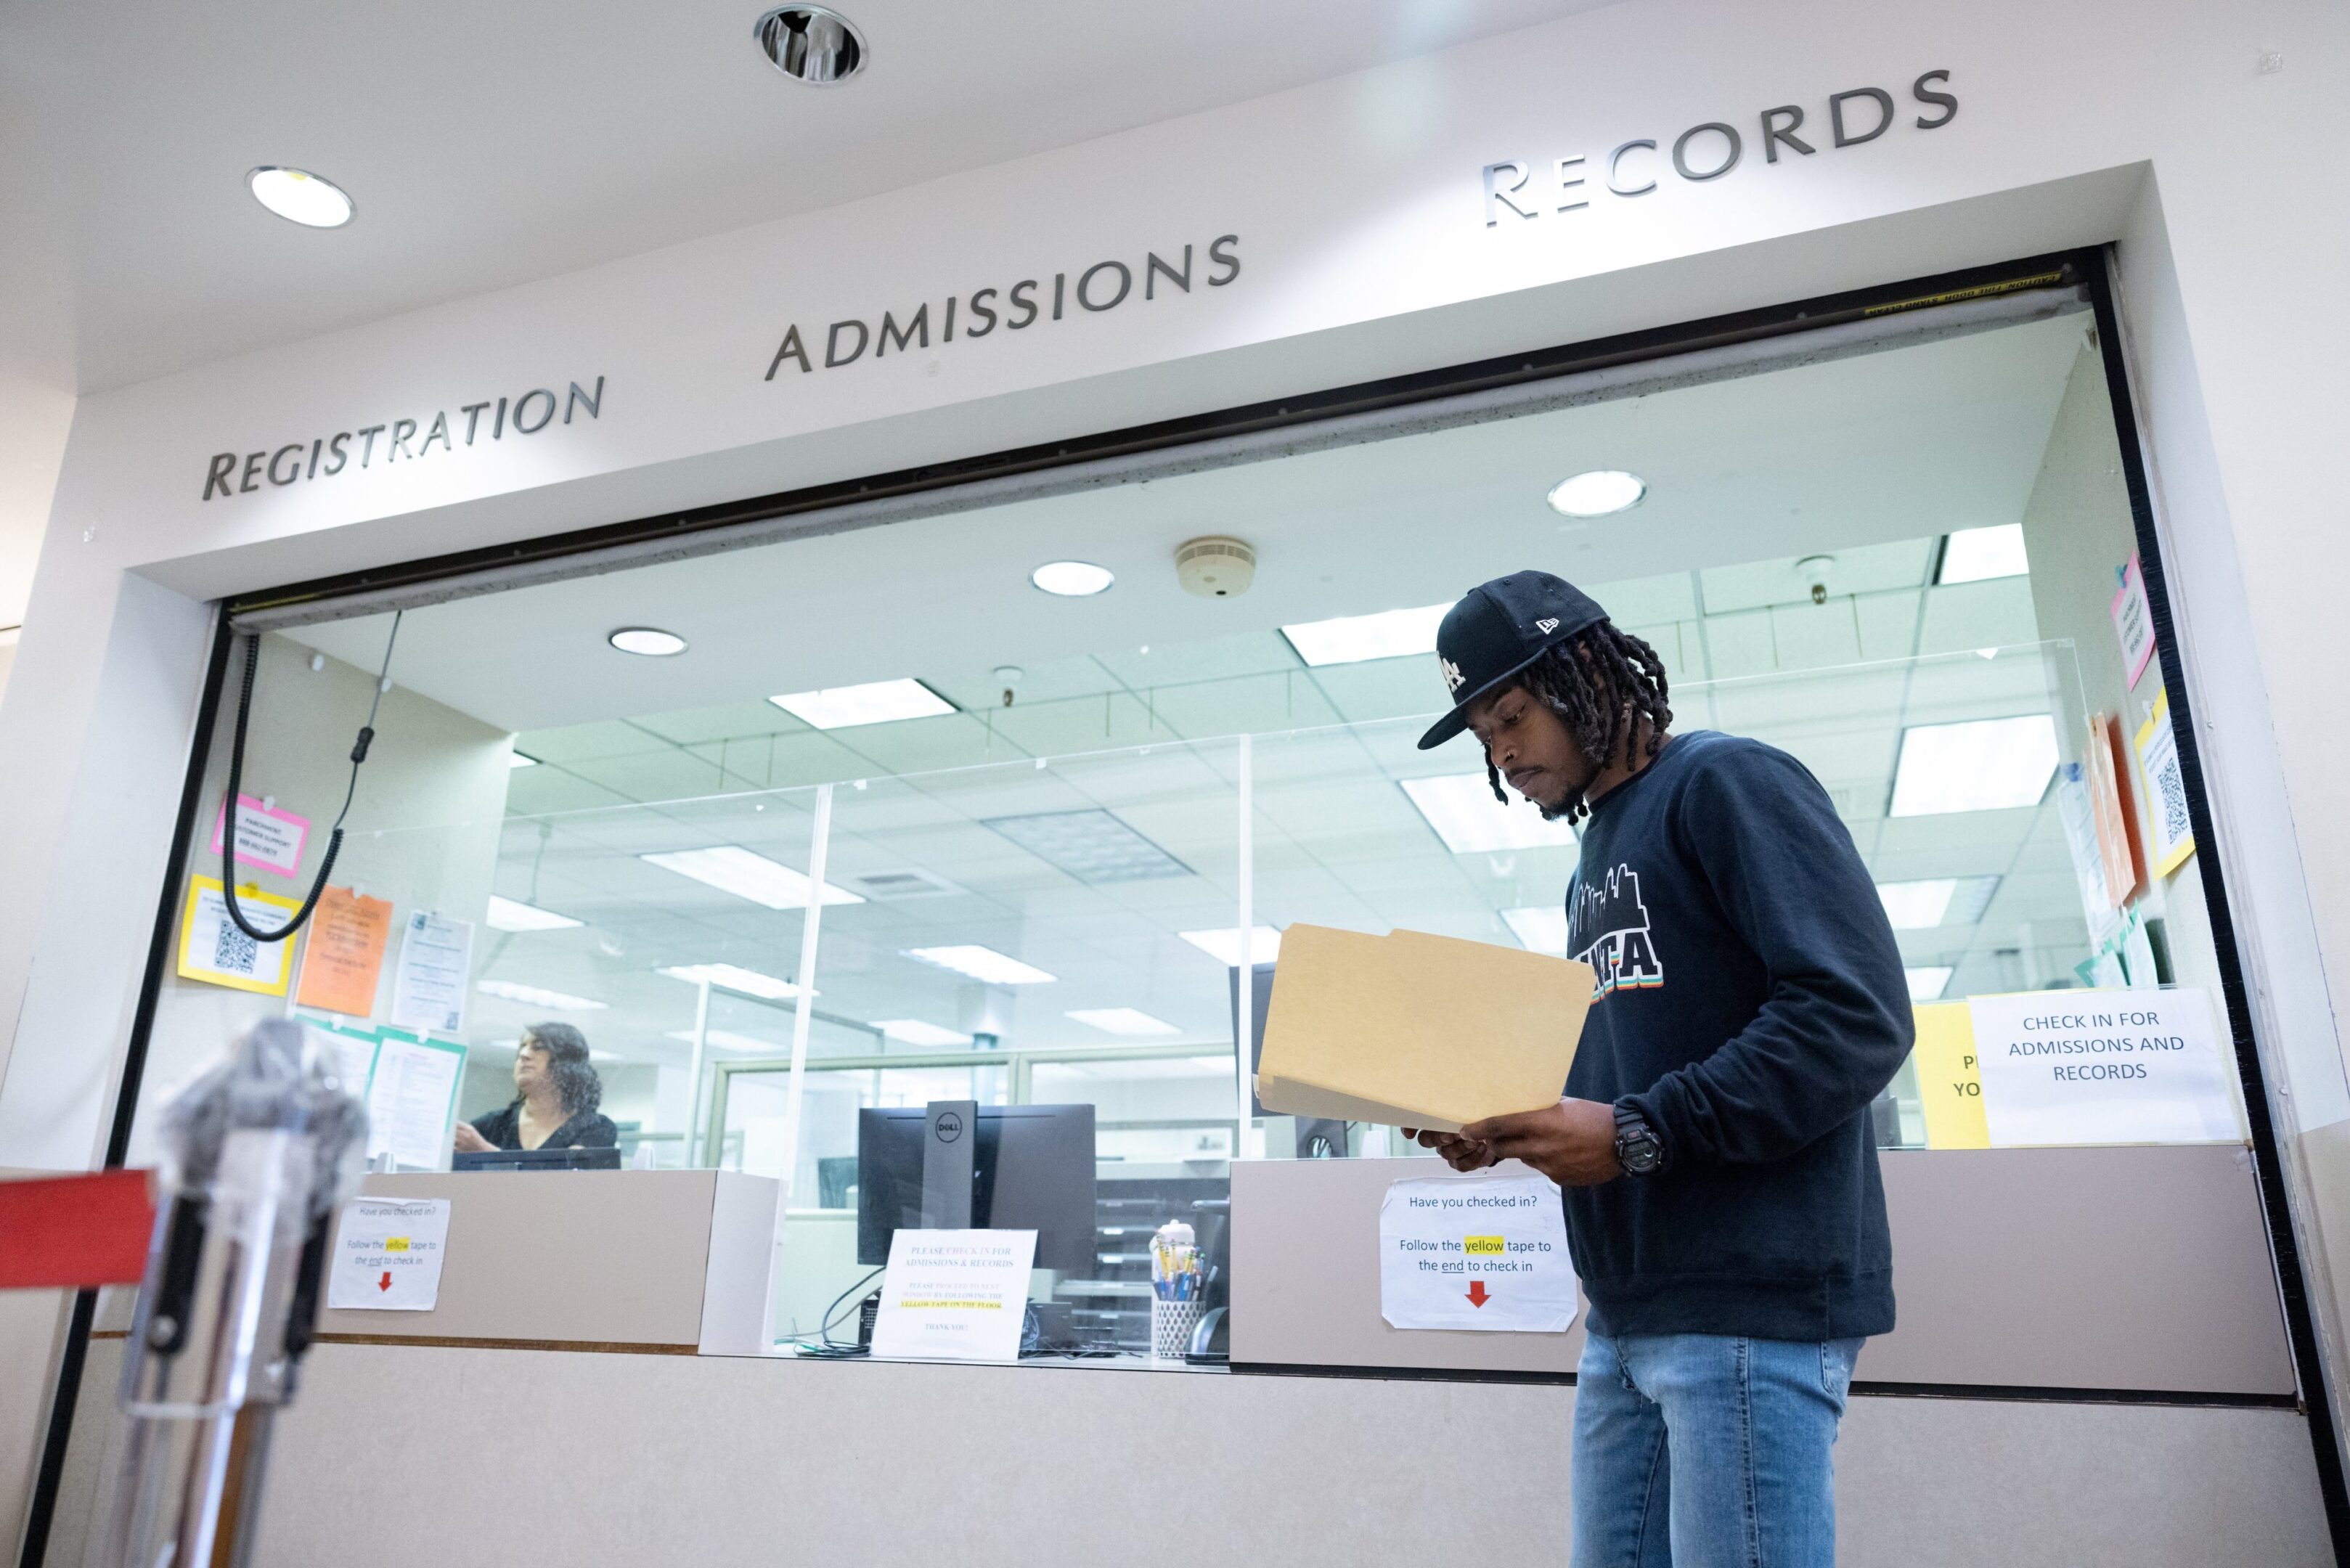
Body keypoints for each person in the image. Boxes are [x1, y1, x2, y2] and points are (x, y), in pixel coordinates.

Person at [1405, 571, 1912, 1568]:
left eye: (1512, 713)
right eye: (1480, 734)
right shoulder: (1591, 861)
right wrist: (1510, 1123)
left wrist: (1640, 1131)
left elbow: (1853, 1015)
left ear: (1586, 671)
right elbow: (1629, 1066)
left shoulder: (1727, 783)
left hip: (1744, 1308)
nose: (1502, 752)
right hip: (1626, 1314)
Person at [453, 1022, 619, 1154]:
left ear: (566, 1062)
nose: (524, 1054)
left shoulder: (596, 1128)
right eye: (522, 1047)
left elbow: (562, 1181)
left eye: (538, 1047)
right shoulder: (491, 1125)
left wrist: (486, 1152)